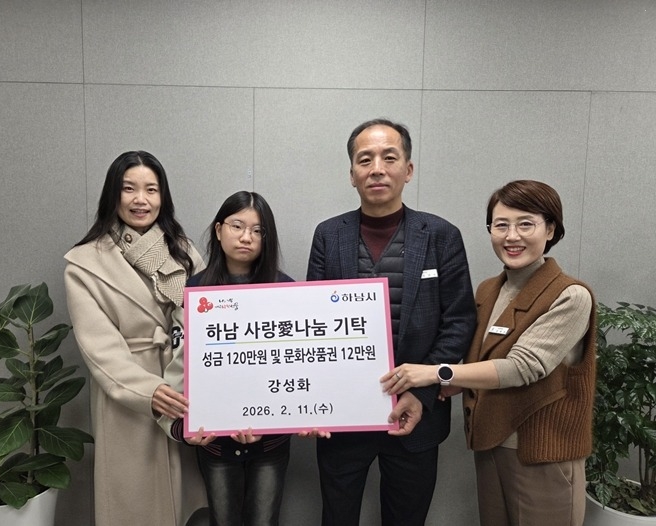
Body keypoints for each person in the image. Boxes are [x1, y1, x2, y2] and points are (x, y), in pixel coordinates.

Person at [381, 179, 597, 526]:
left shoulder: (570, 296)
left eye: (525, 224)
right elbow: (481, 359)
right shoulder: (489, 290)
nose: (512, 236)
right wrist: (452, 384)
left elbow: (522, 366)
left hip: (541, 452)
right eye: (501, 225)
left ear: (551, 229)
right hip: (491, 442)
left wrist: (436, 372)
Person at [306, 119, 477, 526]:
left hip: (418, 412)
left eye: (389, 157)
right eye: (365, 160)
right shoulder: (328, 235)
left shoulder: (441, 235)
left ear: (408, 169)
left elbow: (459, 319)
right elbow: (313, 322)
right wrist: (316, 400)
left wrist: (421, 388)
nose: (377, 169)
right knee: (337, 517)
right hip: (343, 414)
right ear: (352, 174)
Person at [64, 150, 206, 526]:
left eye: (151, 189)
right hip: (128, 400)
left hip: (183, 387)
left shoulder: (184, 252)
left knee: (188, 505)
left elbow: (210, 320)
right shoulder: (85, 263)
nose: (141, 199)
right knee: (133, 505)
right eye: (129, 188)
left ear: (163, 197)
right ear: (113, 194)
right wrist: (149, 392)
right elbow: (100, 349)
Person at [161, 190, 293, 526]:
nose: (247, 237)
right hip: (215, 443)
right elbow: (180, 364)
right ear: (219, 230)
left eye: (258, 230)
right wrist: (182, 425)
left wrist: (274, 420)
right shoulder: (196, 290)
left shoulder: (285, 290)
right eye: (237, 226)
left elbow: (294, 366)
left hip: (270, 444)